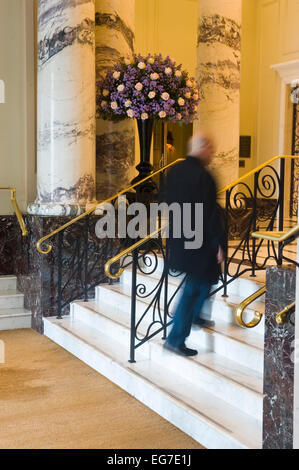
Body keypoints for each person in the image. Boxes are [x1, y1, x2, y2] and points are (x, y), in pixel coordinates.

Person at [163, 132, 226, 357]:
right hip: (201, 242)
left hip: (180, 238)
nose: (213, 153)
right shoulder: (203, 176)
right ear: (203, 147)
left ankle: (197, 316)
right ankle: (175, 339)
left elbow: (167, 202)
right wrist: (219, 242)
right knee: (193, 288)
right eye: (211, 148)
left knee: (205, 281)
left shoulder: (174, 171)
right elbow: (210, 213)